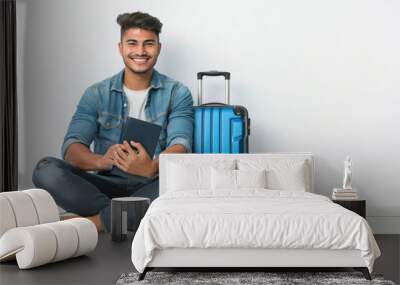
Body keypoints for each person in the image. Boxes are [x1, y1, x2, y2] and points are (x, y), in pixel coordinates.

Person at [32, 12, 194, 232]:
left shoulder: (178, 93)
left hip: (152, 182)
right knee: (45, 169)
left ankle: (96, 223)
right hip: (106, 184)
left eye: (148, 44)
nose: (140, 51)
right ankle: (124, 217)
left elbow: (181, 144)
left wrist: (151, 166)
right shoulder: (97, 93)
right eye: (132, 43)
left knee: (185, 183)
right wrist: (102, 161)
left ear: (159, 48)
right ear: (120, 48)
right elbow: (71, 148)